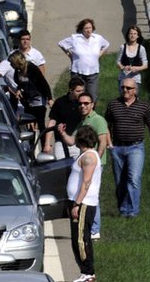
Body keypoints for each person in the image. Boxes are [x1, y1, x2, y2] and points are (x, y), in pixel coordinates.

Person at [105, 78, 150, 218]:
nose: (125, 90)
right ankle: (123, 210)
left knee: (134, 179)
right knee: (120, 181)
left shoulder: (144, 106)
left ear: (135, 90)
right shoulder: (113, 105)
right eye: (123, 87)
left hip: (135, 147)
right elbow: (107, 125)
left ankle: (133, 211)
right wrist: (109, 143)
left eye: (129, 88)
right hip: (117, 147)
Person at [59, 92, 109, 239]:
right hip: (87, 163)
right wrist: (62, 133)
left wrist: (95, 161)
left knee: (92, 196)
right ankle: (90, 228)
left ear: (92, 104)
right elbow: (72, 141)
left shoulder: (98, 120)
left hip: (92, 165)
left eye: (86, 103)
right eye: (80, 103)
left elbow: (103, 142)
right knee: (87, 194)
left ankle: (94, 229)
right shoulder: (82, 122)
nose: (83, 106)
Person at [66, 125, 102, 282]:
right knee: (77, 238)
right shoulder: (85, 155)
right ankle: (85, 271)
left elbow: (86, 183)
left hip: (84, 203)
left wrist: (77, 204)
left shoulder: (90, 157)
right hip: (79, 202)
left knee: (80, 238)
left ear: (81, 139)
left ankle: (88, 273)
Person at [59, 18, 110, 102]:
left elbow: (106, 44)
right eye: (86, 28)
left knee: (92, 97)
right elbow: (61, 43)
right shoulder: (75, 38)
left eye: (90, 28)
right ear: (82, 29)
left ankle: (90, 113)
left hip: (93, 73)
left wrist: (98, 55)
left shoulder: (97, 38)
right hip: (78, 73)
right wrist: (70, 55)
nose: (88, 30)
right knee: (77, 97)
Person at [44, 77, 87, 159]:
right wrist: (47, 143)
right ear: (70, 90)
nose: (81, 93)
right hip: (60, 142)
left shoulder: (84, 104)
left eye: (82, 91)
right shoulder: (60, 103)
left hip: (78, 142)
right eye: (78, 91)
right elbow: (52, 122)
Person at [8, 51, 52, 130]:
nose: (10, 65)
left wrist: (50, 98)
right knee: (29, 124)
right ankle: (31, 140)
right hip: (27, 100)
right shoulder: (17, 71)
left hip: (38, 98)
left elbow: (43, 82)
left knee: (40, 123)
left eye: (12, 63)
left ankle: (45, 142)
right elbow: (20, 83)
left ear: (16, 61)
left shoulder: (31, 68)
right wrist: (19, 89)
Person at [116, 25, 148, 92]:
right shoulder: (123, 47)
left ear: (138, 36)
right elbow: (118, 62)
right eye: (130, 33)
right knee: (123, 98)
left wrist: (137, 68)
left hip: (135, 78)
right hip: (123, 78)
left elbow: (145, 65)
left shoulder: (141, 49)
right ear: (128, 35)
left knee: (134, 98)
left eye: (135, 34)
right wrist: (123, 67)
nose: (132, 36)